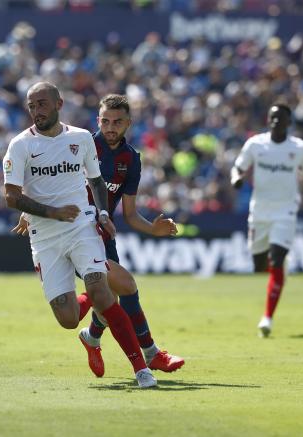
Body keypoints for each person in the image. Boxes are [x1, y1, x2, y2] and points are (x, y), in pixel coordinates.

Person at [13, 94, 184, 378]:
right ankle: (152, 354)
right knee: (126, 287)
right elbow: (44, 176)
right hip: (76, 231)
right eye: (105, 121)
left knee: (109, 300)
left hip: (103, 234)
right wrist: (30, 210)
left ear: (128, 123)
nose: (110, 127)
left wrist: (153, 229)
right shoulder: (79, 144)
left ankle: (92, 337)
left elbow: (129, 213)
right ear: (98, 121)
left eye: (117, 122)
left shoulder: (131, 159)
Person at [230, 103, 303, 338]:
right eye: (273, 118)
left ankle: (267, 318)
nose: (276, 122)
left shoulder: (299, 148)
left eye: (281, 118)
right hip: (259, 212)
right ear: (268, 120)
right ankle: (279, 268)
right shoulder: (255, 144)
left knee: (276, 259)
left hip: (286, 211)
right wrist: (236, 179)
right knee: (260, 265)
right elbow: (237, 168)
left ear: (289, 122)